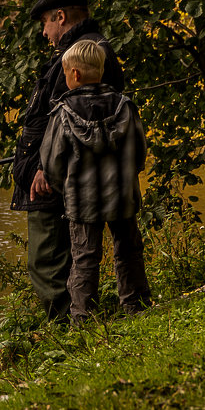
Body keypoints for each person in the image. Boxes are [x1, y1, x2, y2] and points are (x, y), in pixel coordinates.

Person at [10, 0, 123, 322]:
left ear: (61, 17)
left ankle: (69, 331)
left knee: (47, 261)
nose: (44, 32)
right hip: (53, 173)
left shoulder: (81, 56)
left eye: (46, 22)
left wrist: (45, 166)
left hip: (53, 178)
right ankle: (79, 324)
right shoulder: (84, 50)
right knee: (68, 256)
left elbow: (72, 117)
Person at [39, 39, 151, 323]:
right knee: (128, 251)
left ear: (74, 74)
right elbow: (140, 152)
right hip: (123, 195)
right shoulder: (125, 106)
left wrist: (61, 185)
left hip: (82, 200)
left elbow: (52, 161)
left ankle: (82, 317)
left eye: (65, 74)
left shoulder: (63, 112)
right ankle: (135, 306)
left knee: (85, 258)